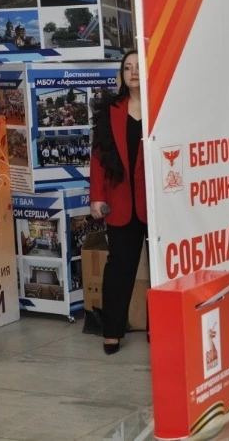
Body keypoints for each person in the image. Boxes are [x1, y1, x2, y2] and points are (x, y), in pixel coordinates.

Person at [89, 50, 147, 355]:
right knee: (119, 267)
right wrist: (97, 196)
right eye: (127, 67)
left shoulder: (160, 107)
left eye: (138, 67)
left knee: (162, 270)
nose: (133, 72)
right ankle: (111, 331)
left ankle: (161, 327)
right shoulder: (110, 110)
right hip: (121, 201)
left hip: (156, 203)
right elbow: (98, 157)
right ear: (121, 75)